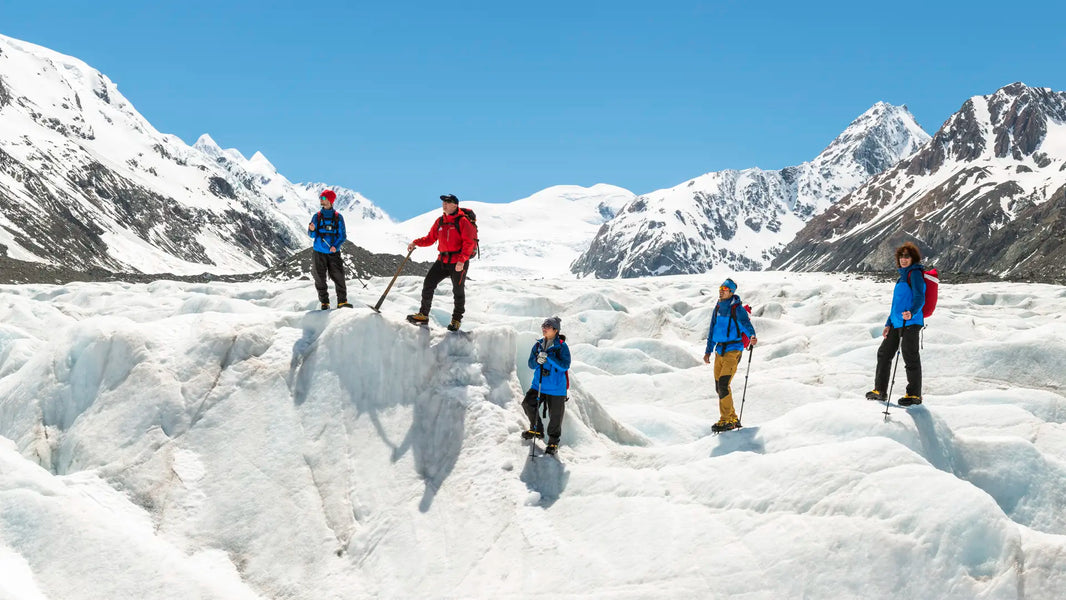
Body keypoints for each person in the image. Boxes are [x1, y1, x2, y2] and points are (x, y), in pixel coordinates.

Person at [866, 242, 926, 406]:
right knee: (884, 353)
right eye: (901, 256)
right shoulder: (902, 277)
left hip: (911, 321)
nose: (903, 259)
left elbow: (920, 297)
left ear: (913, 258)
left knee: (910, 356)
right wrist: (888, 323)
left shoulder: (914, 274)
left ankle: (914, 395)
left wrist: (912, 312)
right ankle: (880, 390)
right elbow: (896, 305)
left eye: (907, 256)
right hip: (897, 322)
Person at [406, 194, 477, 331]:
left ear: (455, 205)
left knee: (458, 291)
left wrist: (462, 261)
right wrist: (416, 242)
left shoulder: (463, 221)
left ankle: (456, 320)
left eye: (448, 202)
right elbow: (430, 238)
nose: (444, 204)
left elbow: (469, 243)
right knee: (428, 283)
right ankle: (423, 315)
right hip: (442, 260)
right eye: (444, 202)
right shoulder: (440, 221)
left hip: (458, 262)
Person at [703, 278, 757, 433]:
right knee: (719, 386)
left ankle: (726, 420)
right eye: (720, 287)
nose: (721, 290)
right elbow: (712, 330)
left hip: (733, 350)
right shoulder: (718, 307)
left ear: (731, 292)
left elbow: (746, 325)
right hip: (720, 350)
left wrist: (752, 336)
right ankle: (732, 417)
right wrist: (708, 351)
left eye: (724, 288)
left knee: (723, 384)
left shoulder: (737, 309)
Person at [521, 316, 571, 455]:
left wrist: (549, 357)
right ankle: (536, 429)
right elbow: (531, 364)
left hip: (556, 387)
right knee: (528, 403)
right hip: (539, 385)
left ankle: (553, 443)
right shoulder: (538, 345)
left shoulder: (561, 346)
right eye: (543, 326)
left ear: (555, 330)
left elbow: (565, 365)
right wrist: (538, 360)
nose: (544, 328)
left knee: (555, 416)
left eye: (547, 326)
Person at [308, 189, 351, 309]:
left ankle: (342, 301)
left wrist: (335, 246)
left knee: (339, 276)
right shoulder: (316, 216)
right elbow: (312, 235)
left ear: (330, 200)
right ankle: (324, 303)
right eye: (321, 198)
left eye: (323, 198)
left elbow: (342, 235)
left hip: (333, 253)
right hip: (318, 252)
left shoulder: (338, 217)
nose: (321, 200)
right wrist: (311, 230)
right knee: (319, 277)